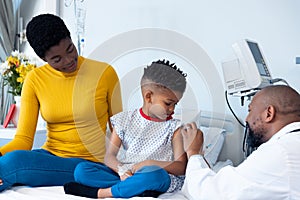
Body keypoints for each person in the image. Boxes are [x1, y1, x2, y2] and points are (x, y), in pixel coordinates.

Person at [0, 13, 122, 192]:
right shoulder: (35, 80)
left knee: (12, 164)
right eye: (57, 59)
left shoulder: (104, 73)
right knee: (8, 162)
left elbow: (120, 129)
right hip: (50, 156)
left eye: (70, 49)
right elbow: (23, 140)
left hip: (89, 163)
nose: (69, 60)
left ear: (71, 39)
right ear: (43, 59)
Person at [63, 59, 189, 198]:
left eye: (175, 104)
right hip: (127, 173)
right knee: (82, 170)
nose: (172, 109)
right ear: (148, 96)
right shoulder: (124, 120)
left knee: (154, 175)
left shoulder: (175, 128)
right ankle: (135, 187)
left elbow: (181, 166)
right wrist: (122, 170)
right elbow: (109, 156)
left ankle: (102, 193)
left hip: (157, 175)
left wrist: (149, 163)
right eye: (168, 103)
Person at [181, 85, 300, 199]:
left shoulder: (279, 153)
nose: (246, 118)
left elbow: (210, 194)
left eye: (250, 110)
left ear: (268, 113)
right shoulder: (291, 144)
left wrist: (193, 152)